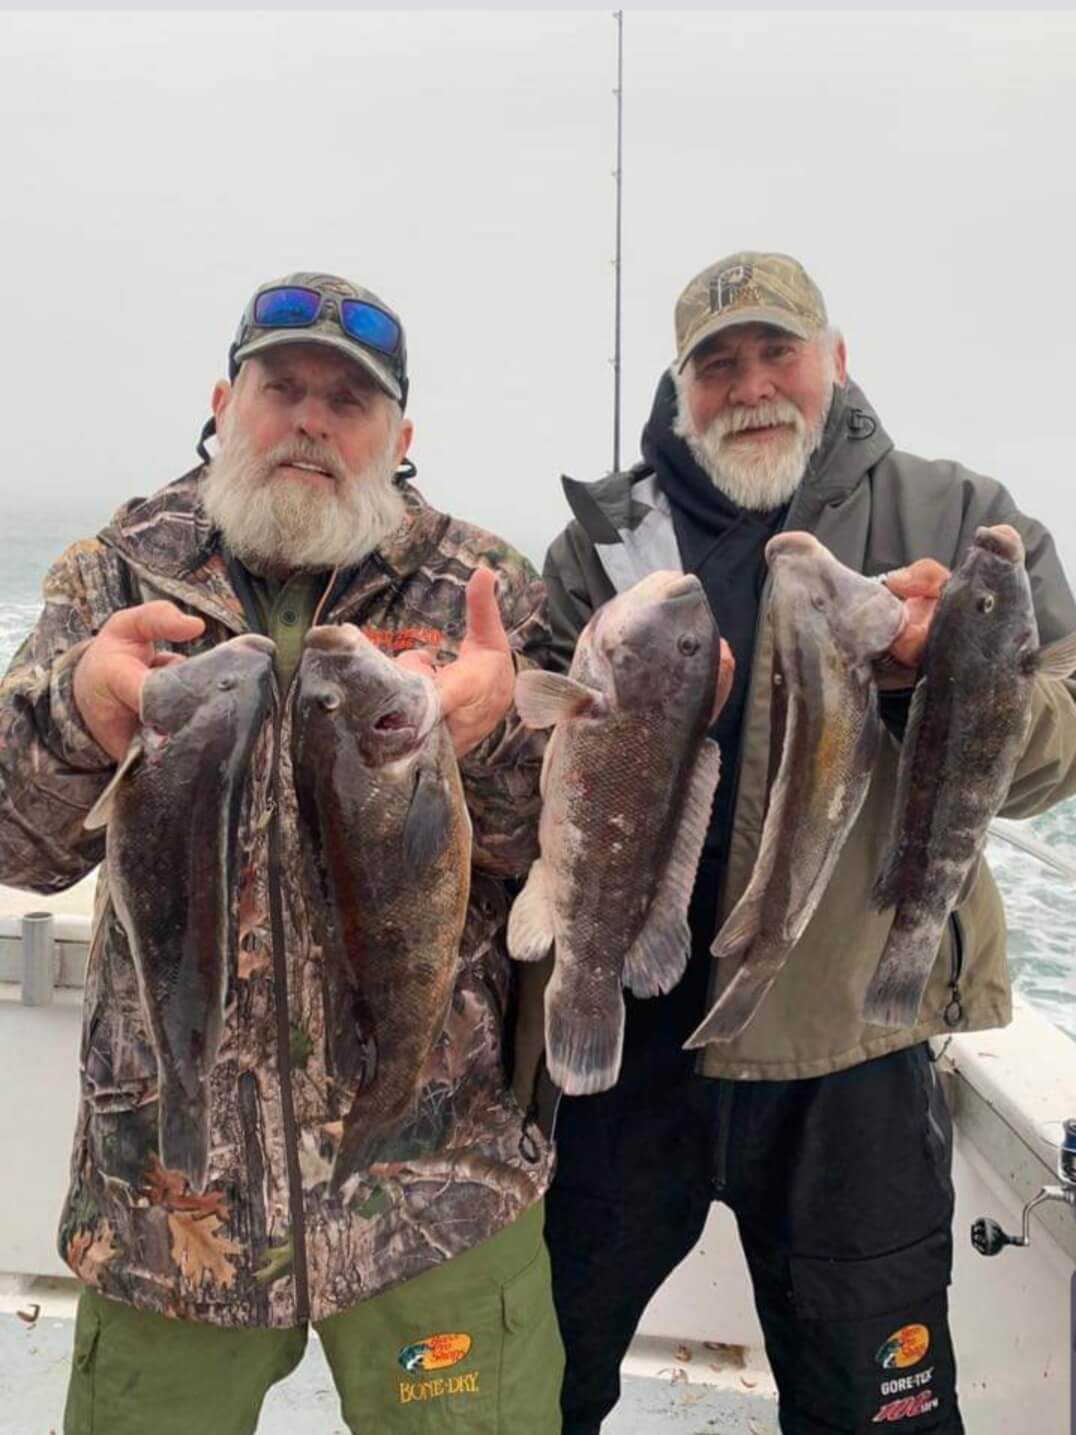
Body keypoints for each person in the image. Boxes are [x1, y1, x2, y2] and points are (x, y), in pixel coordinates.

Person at [0, 271, 564, 1434]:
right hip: (169, 1190)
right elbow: (22, 845)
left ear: (399, 436)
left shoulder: (485, 588)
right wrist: (77, 715)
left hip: (435, 1185)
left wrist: (495, 734)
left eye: (348, 401)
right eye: (282, 387)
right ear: (223, 403)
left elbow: (570, 856)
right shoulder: (110, 574)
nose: (311, 420)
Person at [535, 251, 1076, 1435]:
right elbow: (532, 746)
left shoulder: (961, 518)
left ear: (835, 358)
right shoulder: (600, 544)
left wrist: (936, 684)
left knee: (872, 1405)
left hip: (848, 1042)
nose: (751, 384)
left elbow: (1060, 745)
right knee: (542, 1378)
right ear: (680, 390)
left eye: (777, 350)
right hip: (631, 1039)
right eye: (716, 364)